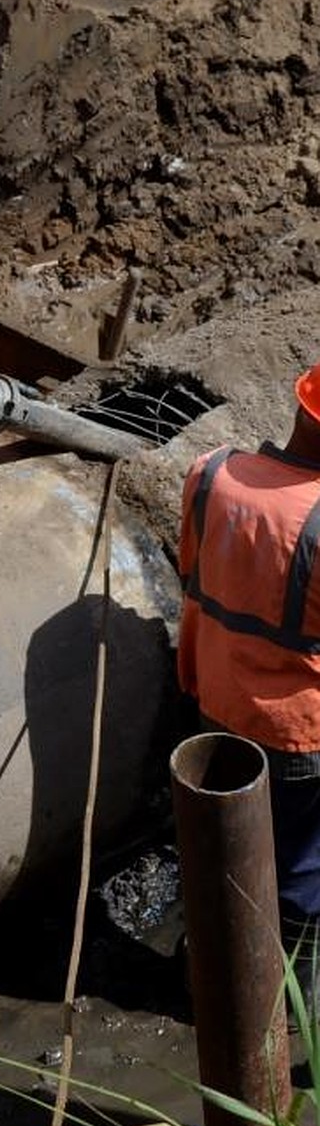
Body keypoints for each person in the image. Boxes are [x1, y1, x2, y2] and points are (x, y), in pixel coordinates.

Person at [177, 364, 320, 981]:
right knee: (302, 880)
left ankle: (213, 969)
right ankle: (289, 1007)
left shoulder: (210, 472)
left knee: (229, 854)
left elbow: (192, 570)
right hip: (297, 734)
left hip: (214, 700)